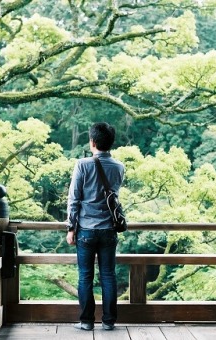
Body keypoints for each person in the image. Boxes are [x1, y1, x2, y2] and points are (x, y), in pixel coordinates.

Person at [66, 122, 125, 331]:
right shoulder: (119, 167)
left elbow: (74, 199)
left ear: (92, 141)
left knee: (85, 276)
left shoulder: (82, 164)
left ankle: (86, 321)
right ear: (110, 142)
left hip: (86, 230)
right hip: (109, 229)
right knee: (108, 275)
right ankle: (109, 322)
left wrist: (71, 228)